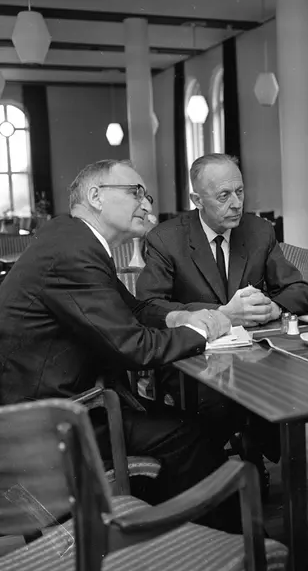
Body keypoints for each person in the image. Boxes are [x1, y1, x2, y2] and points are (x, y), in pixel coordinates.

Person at [0, 159, 239, 529]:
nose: (146, 203)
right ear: (96, 197)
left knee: (187, 426)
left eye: (147, 195)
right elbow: (134, 347)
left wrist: (177, 318)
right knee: (193, 435)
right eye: (135, 192)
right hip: (48, 422)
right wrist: (207, 330)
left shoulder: (72, 238)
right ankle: (232, 546)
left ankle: (171, 534)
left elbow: (133, 309)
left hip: (49, 403)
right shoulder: (74, 251)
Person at [136, 153, 308, 472]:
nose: (236, 204)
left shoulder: (259, 231)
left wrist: (273, 306)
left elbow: (299, 289)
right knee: (219, 402)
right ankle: (223, 473)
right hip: (194, 359)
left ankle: (251, 457)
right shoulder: (165, 238)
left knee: (286, 389)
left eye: (240, 192)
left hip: (253, 357)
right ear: (197, 200)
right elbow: (149, 306)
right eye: (223, 196)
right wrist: (223, 314)